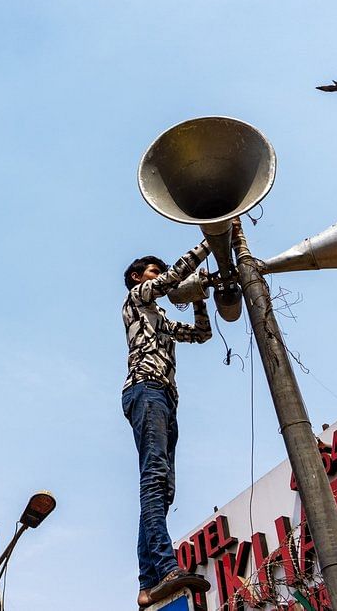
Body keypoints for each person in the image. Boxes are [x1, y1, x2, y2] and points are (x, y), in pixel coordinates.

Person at [121, 241, 214, 608]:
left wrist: (199, 297)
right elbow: (173, 278)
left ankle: (148, 583)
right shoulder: (137, 299)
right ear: (136, 277)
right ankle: (165, 566)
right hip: (147, 390)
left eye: (158, 272)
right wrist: (211, 240)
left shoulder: (159, 318)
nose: (158, 277)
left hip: (164, 398)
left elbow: (201, 334)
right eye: (152, 271)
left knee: (162, 487)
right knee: (154, 476)